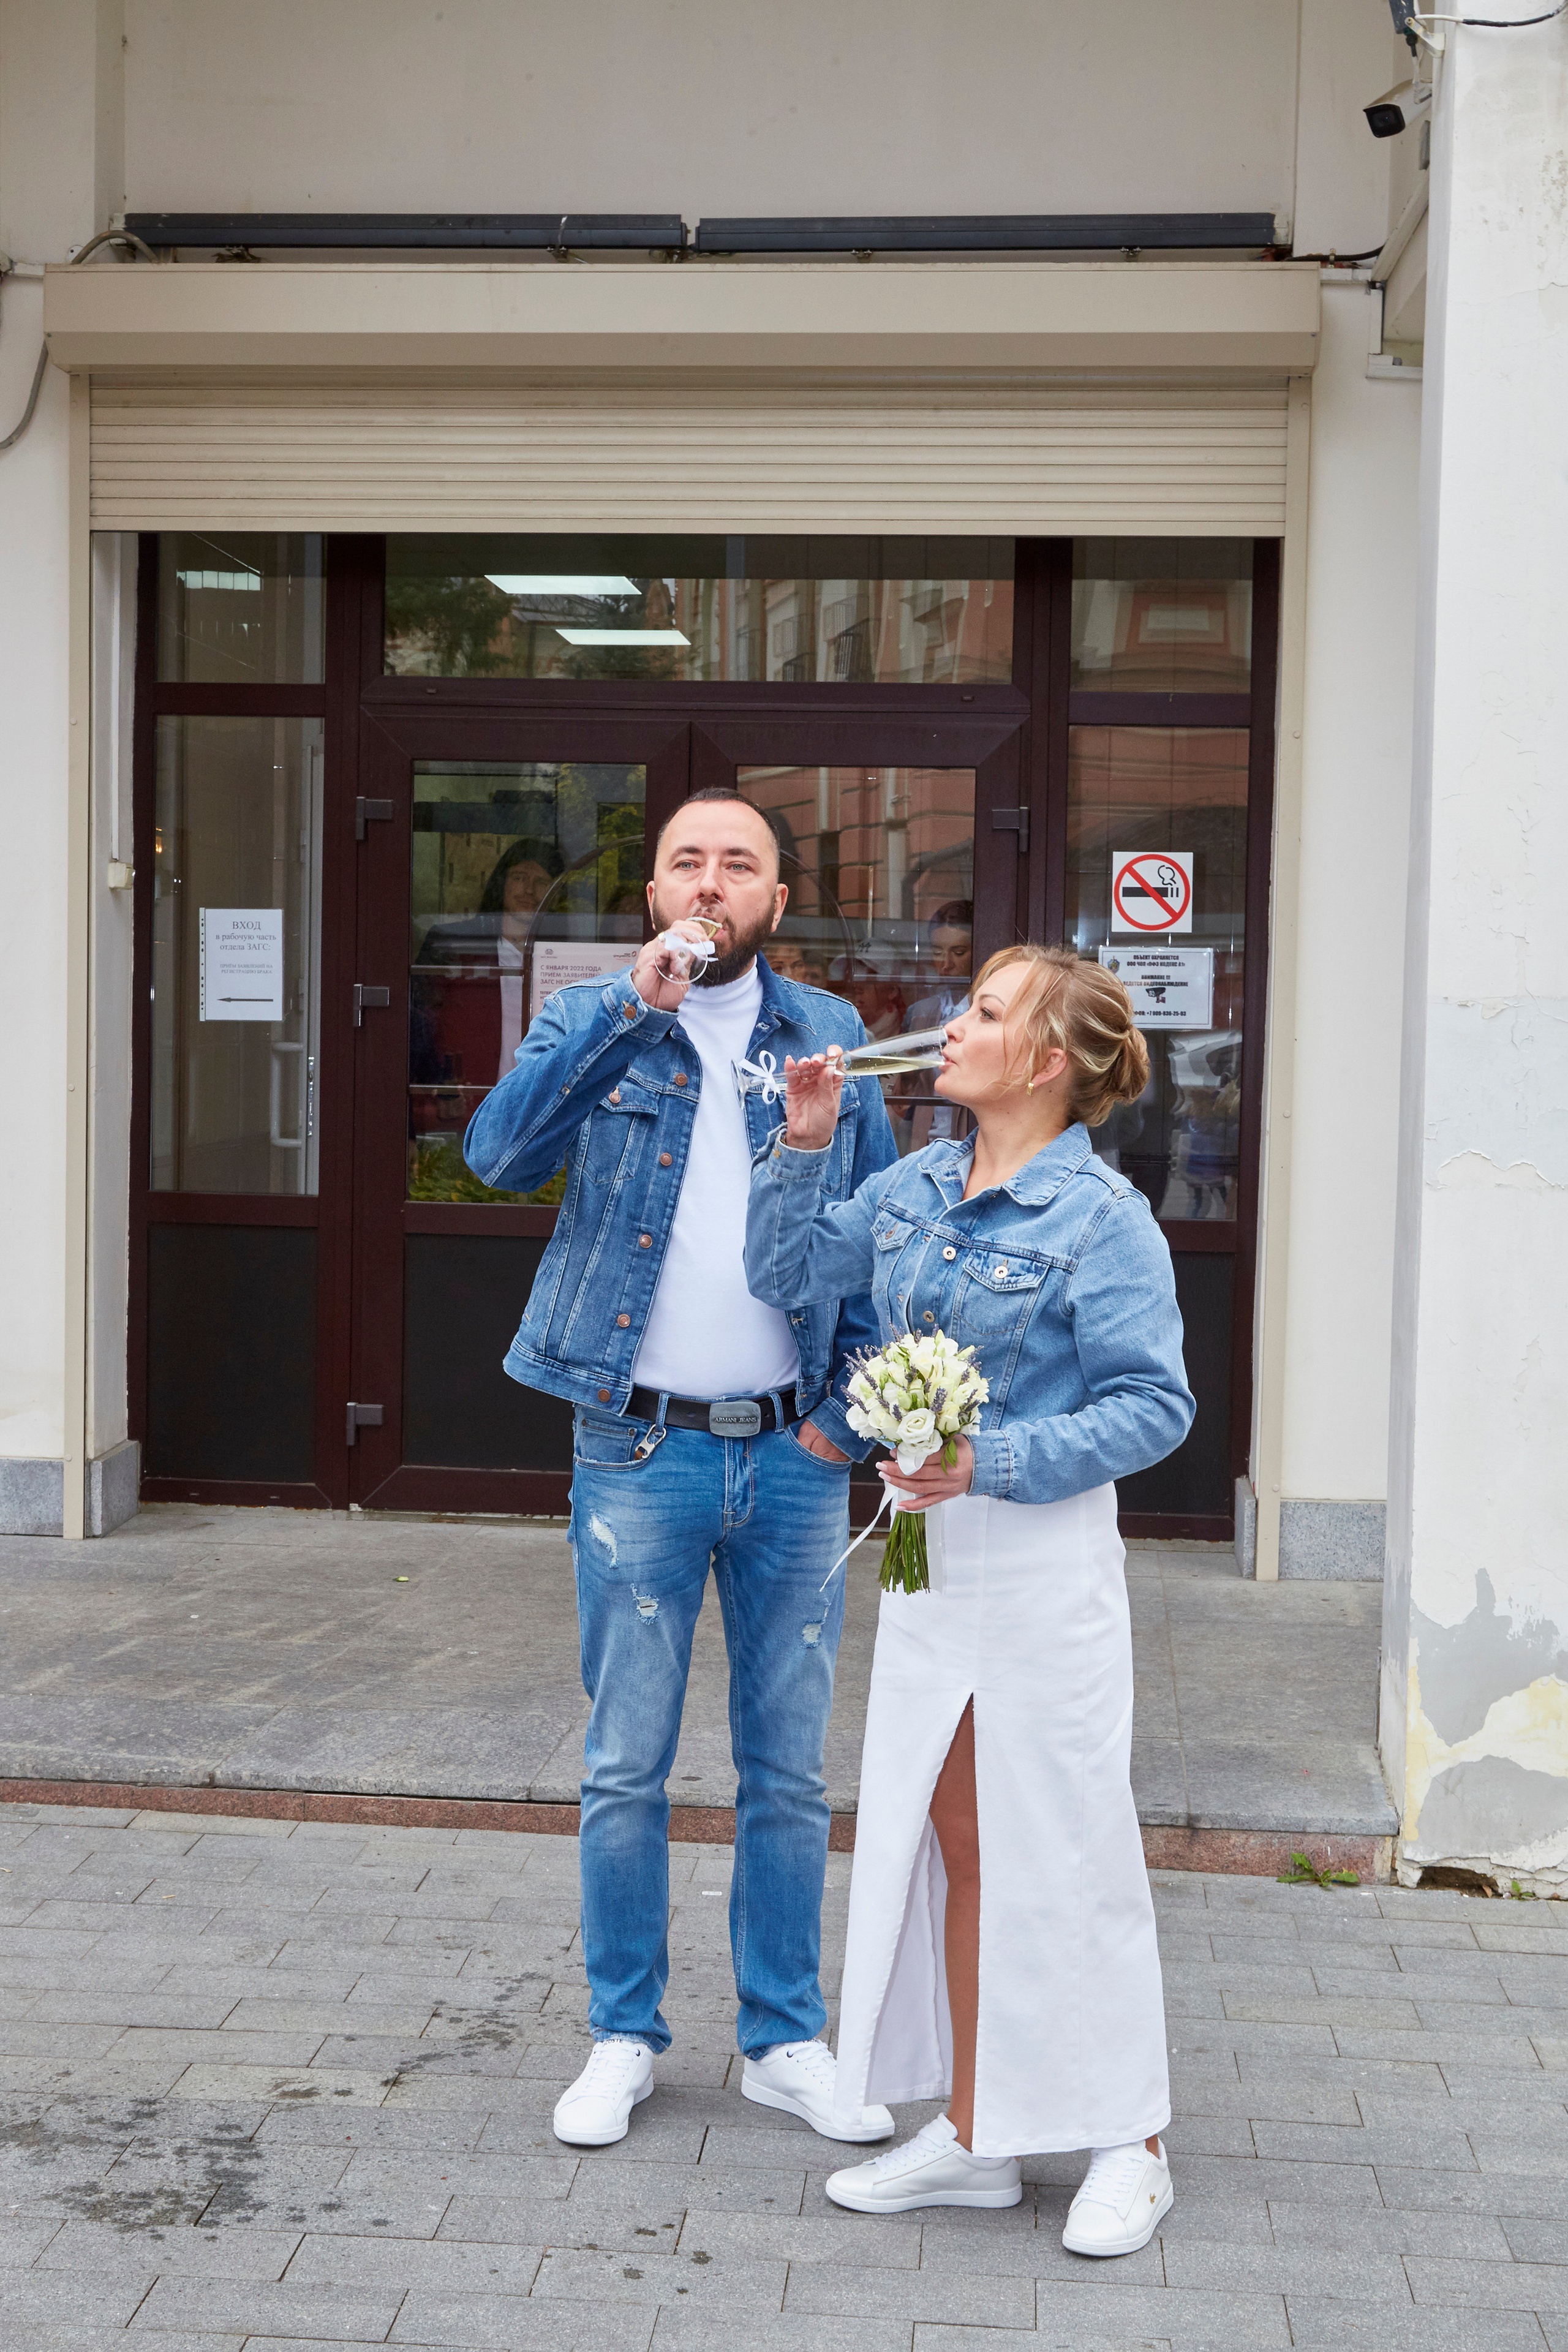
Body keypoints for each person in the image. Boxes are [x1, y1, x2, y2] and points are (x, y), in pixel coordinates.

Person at [465, 788, 899, 2152]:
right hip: (634, 1442)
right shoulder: (591, 1019)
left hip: (789, 1454)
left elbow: (879, 1236)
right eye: (684, 863)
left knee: (785, 1769)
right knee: (624, 1765)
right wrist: (628, 1012)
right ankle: (622, 2035)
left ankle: (782, 2038)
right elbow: (494, 1157)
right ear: (652, 894)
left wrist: (851, 1419)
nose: (710, 882)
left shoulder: (826, 1034)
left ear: (778, 898)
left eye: (739, 864)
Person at [744, 944, 1194, 2254]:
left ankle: (1133, 2139)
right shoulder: (914, 1181)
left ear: (1047, 1063)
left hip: (1042, 1562)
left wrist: (980, 1459)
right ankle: (978, 2131)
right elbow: (787, 1277)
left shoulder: (1097, 1219)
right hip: (927, 1559)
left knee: (1069, 1843)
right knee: (951, 1840)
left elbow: (1153, 1407)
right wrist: (804, 1138)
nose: (950, 1028)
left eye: (984, 1013)